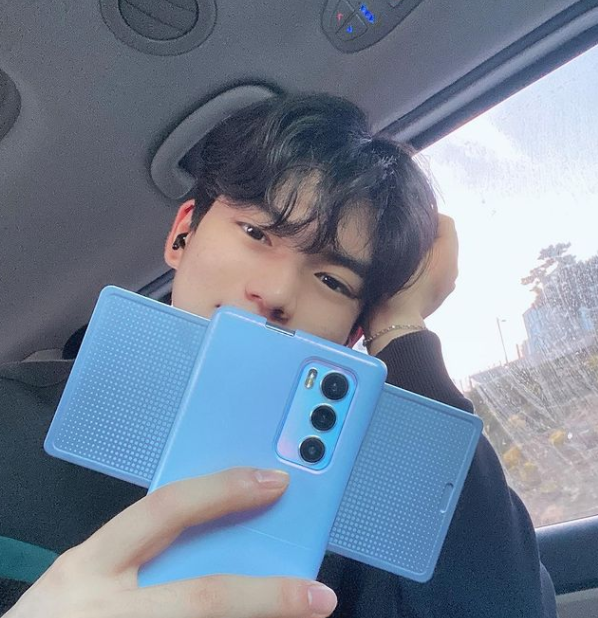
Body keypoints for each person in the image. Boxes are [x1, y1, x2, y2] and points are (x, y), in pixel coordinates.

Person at [0, 94, 557, 618]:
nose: (276, 292)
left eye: (333, 281)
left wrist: (403, 330)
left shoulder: (363, 501)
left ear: (352, 335)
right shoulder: (10, 413)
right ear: (182, 235)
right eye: (257, 233)